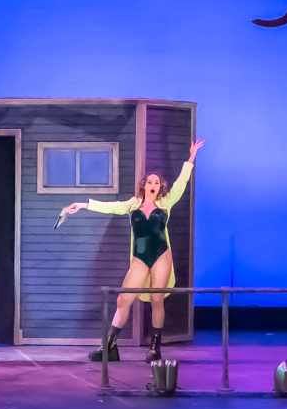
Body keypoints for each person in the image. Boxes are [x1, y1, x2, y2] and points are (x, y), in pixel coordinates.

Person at [60, 140, 204, 363]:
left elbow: (181, 183)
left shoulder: (166, 203)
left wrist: (191, 158)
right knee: (122, 300)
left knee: (157, 300)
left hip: (161, 255)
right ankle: (110, 346)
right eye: (150, 182)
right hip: (140, 257)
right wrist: (83, 205)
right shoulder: (133, 204)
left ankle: (155, 347)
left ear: (160, 187)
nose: (153, 185)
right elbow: (110, 206)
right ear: (144, 186)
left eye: (157, 182)